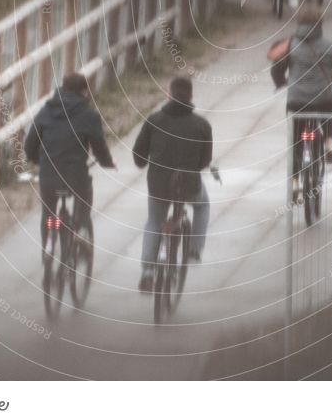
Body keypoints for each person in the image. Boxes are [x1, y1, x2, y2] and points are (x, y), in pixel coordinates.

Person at [270, 3, 332, 194]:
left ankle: (295, 184)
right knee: (329, 110)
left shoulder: (290, 45)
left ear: (299, 23)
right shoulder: (330, 46)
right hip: (322, 100)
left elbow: (276, 68)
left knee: (296, 142)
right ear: (320, 24)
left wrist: (282, 82)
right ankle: (328, 142)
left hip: (296, 102)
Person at [133, 76, 213, 293]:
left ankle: (148, 272)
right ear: (191, 96)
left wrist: (144, 162)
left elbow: (138, 156)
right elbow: (205, 161)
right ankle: (195, 250)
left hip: (158, 185)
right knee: (203, 206)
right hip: (188, 185)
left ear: (169, 94)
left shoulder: (154, 120)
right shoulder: (202, 125)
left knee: (154, 221)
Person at [24, 72, 115, 256]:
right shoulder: (89, 115)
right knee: (84, 195)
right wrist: (107, 162)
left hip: (49, 175)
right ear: (84, 91)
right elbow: (99, 145)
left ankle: (48, 246)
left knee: (49, 214)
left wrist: (37, 160)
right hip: (75, 176)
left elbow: (30, 143)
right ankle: (80, 228)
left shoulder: (45, 111)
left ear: (62, 89)